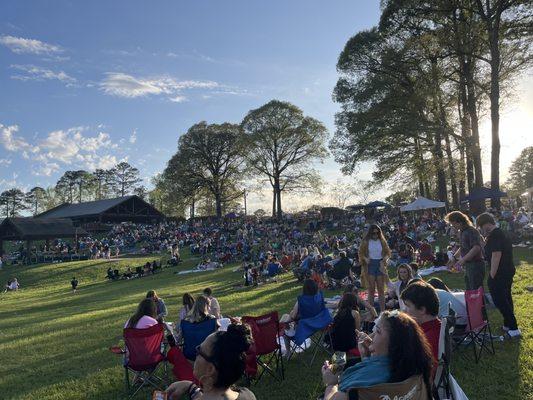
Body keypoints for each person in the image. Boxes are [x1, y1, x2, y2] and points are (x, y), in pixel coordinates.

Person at [321, 311, 433, 399]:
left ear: (394, 344)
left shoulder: (363, 385)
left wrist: (331, 383)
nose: (372, 335)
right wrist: (366, 357)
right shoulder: (414, 369)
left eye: (378, 331)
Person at [166, 323, 256, 400]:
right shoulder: (248, 395)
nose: (195, 352)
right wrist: (192, 388)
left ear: (210, 369)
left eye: (199, 351)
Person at [477, 212, 521, 338]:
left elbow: (496, 255)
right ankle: (508, 324)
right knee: (506, 297)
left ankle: (513, 327)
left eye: (481, 227)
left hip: (500, 272)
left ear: (486, 225)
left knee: (499, 300)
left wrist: (492, 275)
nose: (481, 230)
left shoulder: (495, 235)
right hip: (507, 269)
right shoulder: (500, 233)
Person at [400, 281, 441, 366]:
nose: (404, 310)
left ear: (422, 310)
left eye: (408, 306)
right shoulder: (434, 327)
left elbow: (425, 372)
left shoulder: (429, 339)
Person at [445, 211, 485, 290]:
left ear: (459, 221)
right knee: (470, 289)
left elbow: (476, 247)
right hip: (469, 265)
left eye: (453, 224)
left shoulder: (471, 231)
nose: (452, 226)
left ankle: (481, 303)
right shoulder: (462, 232)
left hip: (476, 264)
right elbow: (463, 247)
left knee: (476, 291)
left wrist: (463, 259)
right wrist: (453, 258)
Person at [358, 225, 391, 311]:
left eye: (377, 233)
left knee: (381, 289)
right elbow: (360, 253)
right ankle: (371, 311)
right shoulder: (366, 241)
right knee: (371, 290)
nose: (375, 235)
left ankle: (383, 311)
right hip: (370, 265)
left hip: (380, 264)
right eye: (373, 233)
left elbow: (388, 253)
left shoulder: (382, 241)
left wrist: (385, 259)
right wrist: (365, 258)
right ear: (370, 233)